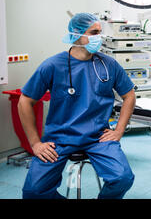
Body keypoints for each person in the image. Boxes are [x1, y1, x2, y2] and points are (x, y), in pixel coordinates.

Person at [18, 13, 136, 199]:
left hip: (98, 137)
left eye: (100, 32)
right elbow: (25, 100)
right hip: (59, 137)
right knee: (33, 192)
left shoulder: (108, 64)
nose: (100, 37)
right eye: (94, 32)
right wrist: (35, 143)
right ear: (77, 35)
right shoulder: (53, 65)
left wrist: (119, 131)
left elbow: (129, 95)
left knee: (123, 178)